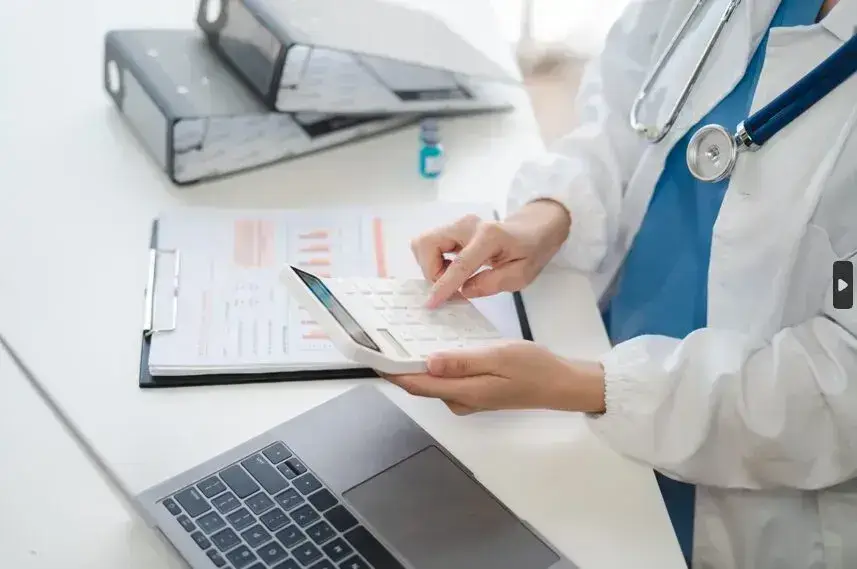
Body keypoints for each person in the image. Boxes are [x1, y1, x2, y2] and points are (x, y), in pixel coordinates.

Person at [380, 0, 857, 567]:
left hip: (746, 493)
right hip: (589, 360)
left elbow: (839, 383)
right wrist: (547, 214)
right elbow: (628, 111)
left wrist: (586, 387)